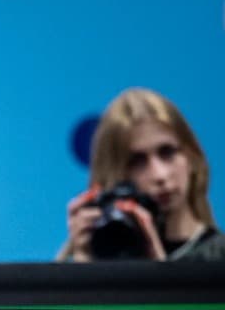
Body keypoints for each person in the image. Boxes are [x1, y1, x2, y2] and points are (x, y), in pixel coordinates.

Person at [58, 88, 225, 263]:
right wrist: (85, 265)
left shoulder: (219, 257)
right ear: (115, 175)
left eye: (167, 153)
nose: (159, 175)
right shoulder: (94, 260)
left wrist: (157, 274)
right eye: (137, 162)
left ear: (191, 156)